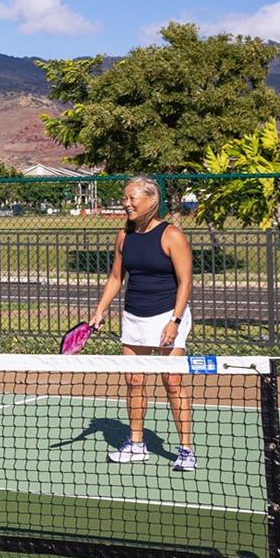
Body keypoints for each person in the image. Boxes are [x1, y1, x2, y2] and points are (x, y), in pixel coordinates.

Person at [88, 174, 196, 471]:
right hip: (134, 316)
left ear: (151, 200)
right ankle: (136, 444)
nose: (126, 204)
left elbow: (185, 281)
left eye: (131, 198)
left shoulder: (171, 234)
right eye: (125, 198)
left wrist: (174, 320)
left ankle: (186, 449)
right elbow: (115, 277)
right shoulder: (124, 236)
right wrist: (99, 311)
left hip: (167, 314)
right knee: (134, 381)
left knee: (172, 382)